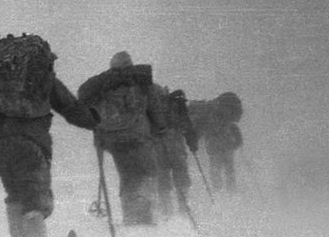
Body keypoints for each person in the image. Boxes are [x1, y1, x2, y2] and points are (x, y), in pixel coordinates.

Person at [0, 34, 96, 237]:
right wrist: (94, 121)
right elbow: (70, 108)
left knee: (16, 198)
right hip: (30, 146)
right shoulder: (42, 81)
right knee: (34, 201)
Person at [78, 51, 166, 226]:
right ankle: (144, 215)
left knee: (127, 176)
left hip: (113, 141)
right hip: (138, 137)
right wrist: (160, 128)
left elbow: (86, 105)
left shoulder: (103, 84)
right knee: (147, 173)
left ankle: (130, 216)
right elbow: (155, 109)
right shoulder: (142, 82)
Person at [152, 86, 199, 218]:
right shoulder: (176, 104)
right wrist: (192, 143)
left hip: (156, 142)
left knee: (162, 174)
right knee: (180, 172)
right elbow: (186, 125)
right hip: (174, 140)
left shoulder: (149, 104)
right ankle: (184, 209)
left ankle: (166, 211)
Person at [191, 92, 243, 193]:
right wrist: (236, 143)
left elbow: (200, 130)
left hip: (214, 147)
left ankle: (218, 191)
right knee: (229, 171)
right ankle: (231, 192)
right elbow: (233, 128)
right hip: (227, 146)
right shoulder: (225, 117)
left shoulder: (209, 116)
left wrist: (194, 140)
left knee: (216, 171)